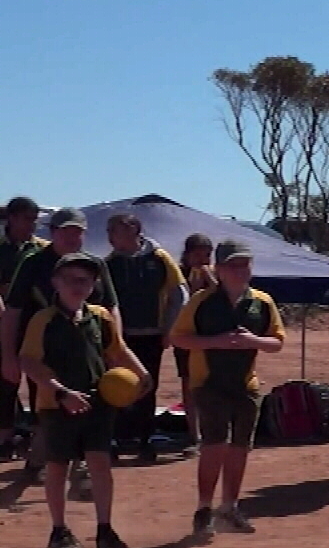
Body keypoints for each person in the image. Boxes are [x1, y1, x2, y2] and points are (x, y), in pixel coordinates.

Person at [19, 252, 150, 548]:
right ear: (56, 282)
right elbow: (29, 361)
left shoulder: (100, 316)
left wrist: (143, 374)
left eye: (85, 280)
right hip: (56, 405)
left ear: (93, 285)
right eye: (70, 280)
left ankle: (105, 530)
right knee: (57, 466)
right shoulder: (43, 320)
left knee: (100, 464)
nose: (77, 286)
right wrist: (61, 392)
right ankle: (59, 532)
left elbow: (117, 349)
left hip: (98, 402)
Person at [168, 240, 285, 536]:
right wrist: (215, 341)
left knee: (240, 447)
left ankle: (229, 507)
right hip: (208, 383)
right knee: (214, 445)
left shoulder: (262, 302)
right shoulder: (201, 301)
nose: (240, 270)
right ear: (218, 269)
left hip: (245, 384)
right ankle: (204, 508)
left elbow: (277, 341)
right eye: (233, 265)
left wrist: (253, 341)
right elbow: (178, 337)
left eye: (245, 264)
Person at [3, 207, 120, 487]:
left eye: (77, 232)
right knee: (48, 408)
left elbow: (111, 307)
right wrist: (7, 355)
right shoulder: (33, 262)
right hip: (44, 351)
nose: (71, 237)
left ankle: (81, 468)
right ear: (53, 232)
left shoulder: (95, 264)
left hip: (89, 349)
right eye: (65, 231)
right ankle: (40, 461)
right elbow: (12, 311)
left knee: (91, 404)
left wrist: (115, 348)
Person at [103, 212, 185, 466]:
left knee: (147, 387)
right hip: (119, 339)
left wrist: (169, 329)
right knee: (115, 385)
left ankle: (145, 440)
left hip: (151, 335)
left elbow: (179, 293)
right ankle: (115, 439)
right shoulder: (108, 264)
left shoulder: (159, 258)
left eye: (117, 231)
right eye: (110, 231)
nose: (112, 237)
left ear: (134, 231)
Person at [0, 195, 46, 460]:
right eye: (27, 219)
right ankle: (5, 440)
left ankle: (39, 441)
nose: (32, 225)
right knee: (5, 383)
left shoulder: (41, 250)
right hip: (5, 325)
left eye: (35, 220)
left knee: (39, 381)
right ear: (12, 218)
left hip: (36, 325)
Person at [172, 233, 218, 451]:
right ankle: (194, 434)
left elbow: (223, 298)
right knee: (189, 384)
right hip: (187, 337)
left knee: (212, 383)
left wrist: (210, 280)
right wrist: (193, 287)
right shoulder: (178, 275)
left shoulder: (217, 275)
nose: (202, 260)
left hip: (211, 336)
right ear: (187, 255)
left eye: (206, 255)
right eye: (197, 255)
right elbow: (180, 305)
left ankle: (213, 431)